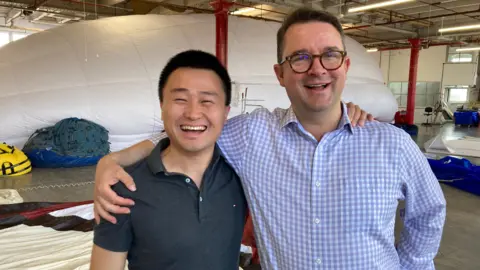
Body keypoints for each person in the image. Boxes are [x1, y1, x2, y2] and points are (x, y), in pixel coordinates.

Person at [93, 7, 447, 270]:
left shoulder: (391, 144)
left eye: (330, 55)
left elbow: (429, 214)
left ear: (346, 65)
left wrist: (412, 265)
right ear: (280, 73)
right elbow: (192, 129)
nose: (317, 68)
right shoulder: (252, 136)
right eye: (300, 58)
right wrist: (111, 160)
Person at [90, 50, 248, 270]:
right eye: (180, 100)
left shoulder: (241, 174)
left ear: (226, 112)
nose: (193, 113)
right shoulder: (123, 189)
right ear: (162, 106)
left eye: (207, 101)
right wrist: (109, 161)